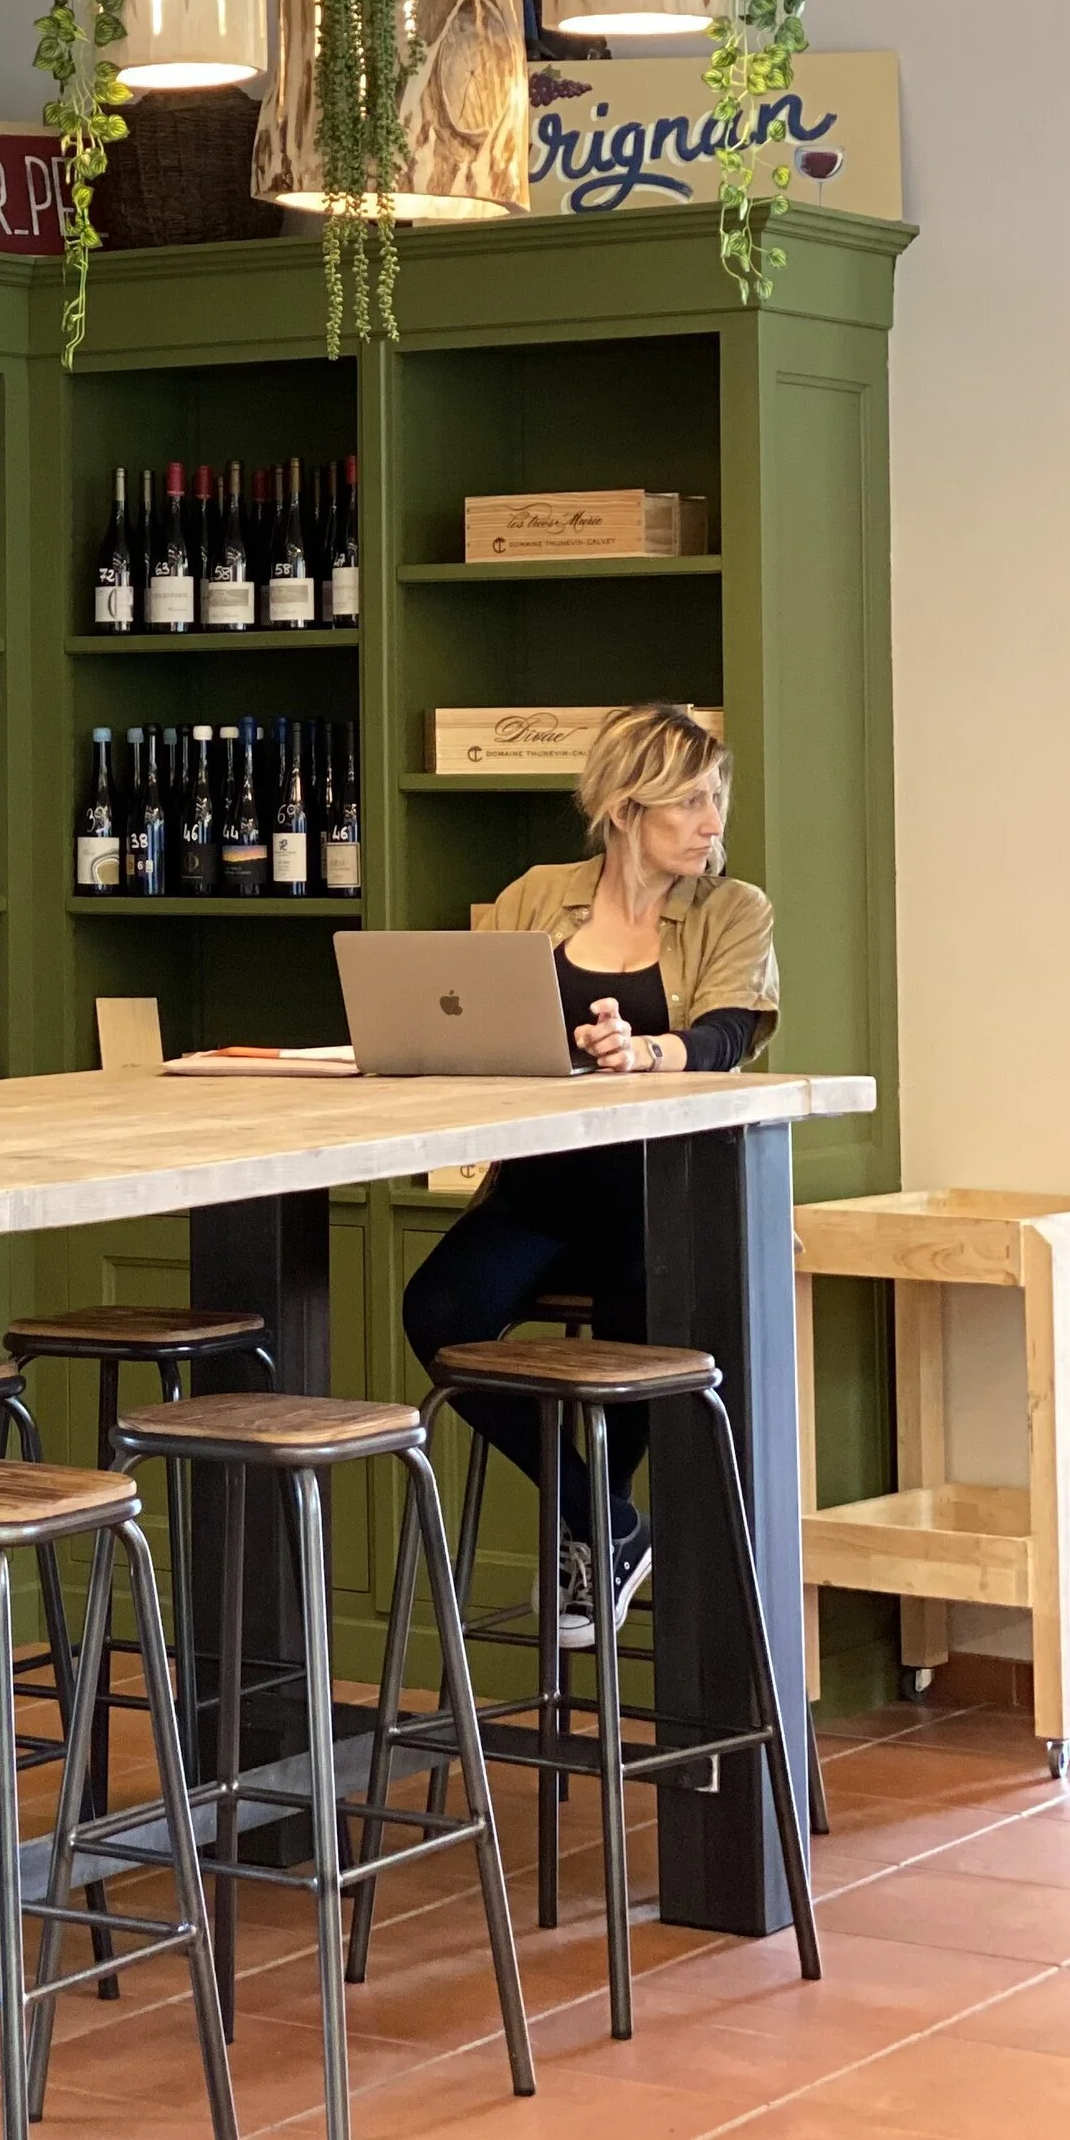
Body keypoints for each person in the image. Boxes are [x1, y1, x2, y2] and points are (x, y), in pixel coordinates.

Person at [401, 702, 777, 1645]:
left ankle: (598, 1528)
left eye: (715, 800)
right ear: (623, 807)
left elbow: (728, 1034)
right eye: (688, 802)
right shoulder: (536, 896)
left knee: (647, 1311)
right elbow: (472, 1018)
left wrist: (644, 1050)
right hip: (540, 1191)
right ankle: (601, 1517)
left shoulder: (733, 909)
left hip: (663, 1197)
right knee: (437, 1312)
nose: (711, 823)